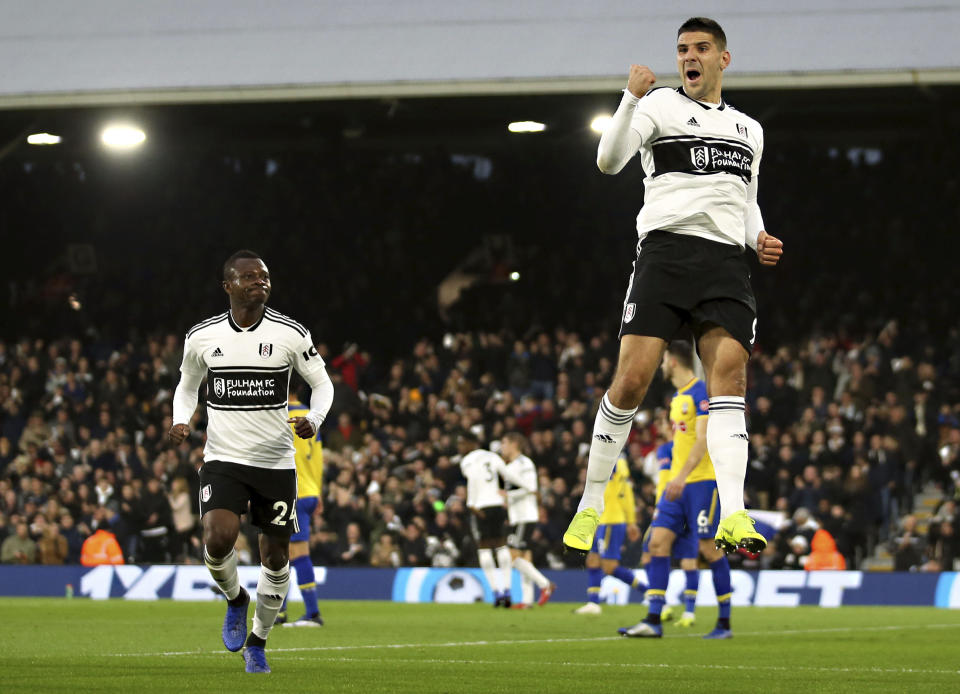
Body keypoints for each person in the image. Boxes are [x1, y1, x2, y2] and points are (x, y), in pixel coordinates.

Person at [564, 16, 783, 560]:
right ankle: (591, 499)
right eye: (683, 48)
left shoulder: (749, 130)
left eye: (702, 48)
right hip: (666, 253)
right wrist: (629, 99)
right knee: (633, 381)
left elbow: (745, 197)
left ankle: (732, 511)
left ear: (723, 59)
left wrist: (757, 235)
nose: (690, 55)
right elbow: (609, 160)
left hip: (726, 263)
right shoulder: (658, 105)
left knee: (729, 379)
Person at [168, 249, 334, 674]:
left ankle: (258, 641)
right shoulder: (202, 336)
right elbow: (188, 385)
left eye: (263, 276)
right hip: (224, 458)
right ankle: (236, 598)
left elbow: (322, 383)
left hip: (276, 464)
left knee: (276, 558)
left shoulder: (291, 334)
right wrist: (180, 420)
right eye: (249, 277)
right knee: (218, 537)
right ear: (228, 286)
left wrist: (314, 418)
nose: (259, 281)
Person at [619, 341, 733, 639]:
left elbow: (703, 439)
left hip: (702, 483)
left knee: (709, 549)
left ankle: (724, 623)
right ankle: (653, 619)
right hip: (677, 486)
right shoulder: (677, 399)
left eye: (663, 359)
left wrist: (680, 476)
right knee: (657, 543)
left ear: (672, 361)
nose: (659, 365)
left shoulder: (700, 392)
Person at [458, 431, 536, 607]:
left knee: (485, 550)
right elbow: (508, 474)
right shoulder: (492, 456)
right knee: (501, 548)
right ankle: (507, 591)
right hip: (498, 505)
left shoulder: (467, 460)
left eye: (462, 444)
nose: (460, 447)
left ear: (470, 444)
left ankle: (496, 592)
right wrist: (528, 487)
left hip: (480, 507)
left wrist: (471, 503)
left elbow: (471, 480)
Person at [275, 390, 325, 628]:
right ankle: (279, 612)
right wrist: (319, 491)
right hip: (309, 490)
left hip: (290, 491)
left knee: (296, 553)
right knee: (283, 553)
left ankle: (313, 613)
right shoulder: (311, 414)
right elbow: (318, 457)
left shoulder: (280, 415)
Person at [572, 452, 644, 615]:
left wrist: (631, 522)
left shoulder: (613, 463)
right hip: (604, 519)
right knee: (593, 560)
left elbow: (622, 494)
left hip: (611, 519)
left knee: (610, 567)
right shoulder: (615, 464)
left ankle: (648, 592)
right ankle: (593, 603)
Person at [500, 432, 556, 608]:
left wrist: (507, 495)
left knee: (512, 556)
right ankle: (527, 600)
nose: (502, 447)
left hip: (525, 515)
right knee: (525, 557)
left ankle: (545, 584)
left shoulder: (524, 463)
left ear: (514, 444)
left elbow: (531, 488)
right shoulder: (511, 466)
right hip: (517, 516)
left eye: (504, 443)